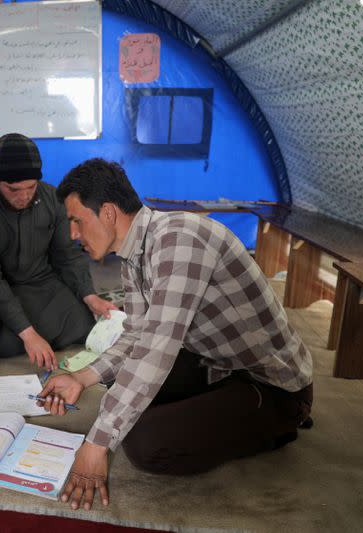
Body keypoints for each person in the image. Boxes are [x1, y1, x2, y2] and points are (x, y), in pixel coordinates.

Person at [39, 158, 313, 510]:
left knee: (145, 444)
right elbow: (137, 335)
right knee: (123, 387)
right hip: (218, 364)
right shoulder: (134, 255)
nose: (73, 234)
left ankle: (276, 425)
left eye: (77, 221)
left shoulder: (180, 240)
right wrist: (80, 378)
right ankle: (229, 413)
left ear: (107, 212)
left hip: (271, 384)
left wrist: (96, 445)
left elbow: (156, 350)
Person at [0, 133, 117, 369]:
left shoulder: (53, 199)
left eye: (31, 187)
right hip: (0, 290)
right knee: (6, 345)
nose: (23, 196)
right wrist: (29, 334)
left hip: (44, 285)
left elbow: (67, 257)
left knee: (84, 325)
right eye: (13, 189)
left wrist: (90, 297)